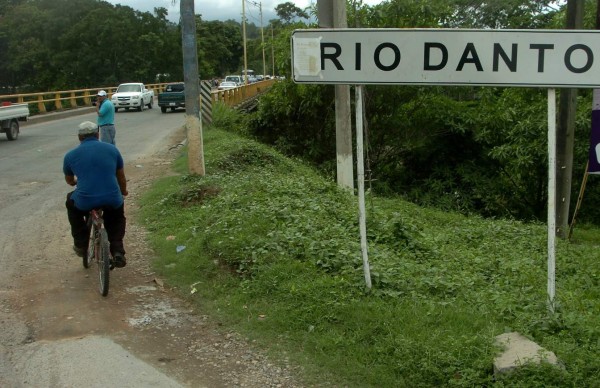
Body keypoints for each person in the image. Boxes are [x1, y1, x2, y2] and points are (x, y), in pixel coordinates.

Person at [63, 121, 128, 268]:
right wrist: (123, 191)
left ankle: (80, 245)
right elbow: (121, 177)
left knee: (70, 202)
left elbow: (69, 179)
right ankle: (117, 251)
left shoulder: (70, 155)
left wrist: (74, 182)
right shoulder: (112, 150)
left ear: (79, 137)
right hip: (111, 198)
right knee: (116, 216)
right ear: (98, 134)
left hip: (85, 200)